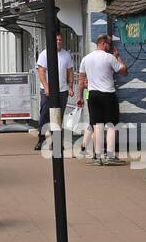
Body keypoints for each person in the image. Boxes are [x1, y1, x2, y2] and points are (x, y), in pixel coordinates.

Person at [80, 34, 127, 165]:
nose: (110, 47)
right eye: (109, 44)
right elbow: (124, 71)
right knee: (111, 124)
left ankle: (97, 156)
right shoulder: (109, 57)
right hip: (108, 94)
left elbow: (81, 80)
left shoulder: (86, 59)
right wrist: (118, 57)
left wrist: (79, 96)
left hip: (93, 94)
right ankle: (110, 156)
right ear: (104, 44)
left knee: (97, 125)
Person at [35, 34, 75, 151]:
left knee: (58, 117)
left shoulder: (66, 55)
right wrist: (47, 88)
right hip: (47, 91)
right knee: (45, 115)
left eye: (60, 39)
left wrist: (70, 87)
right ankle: (41, 139)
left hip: (62, 91)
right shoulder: (44, 54)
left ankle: (56, 142)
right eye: (56, 39)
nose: (58, 41)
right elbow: (41, 72)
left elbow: (70, 72)